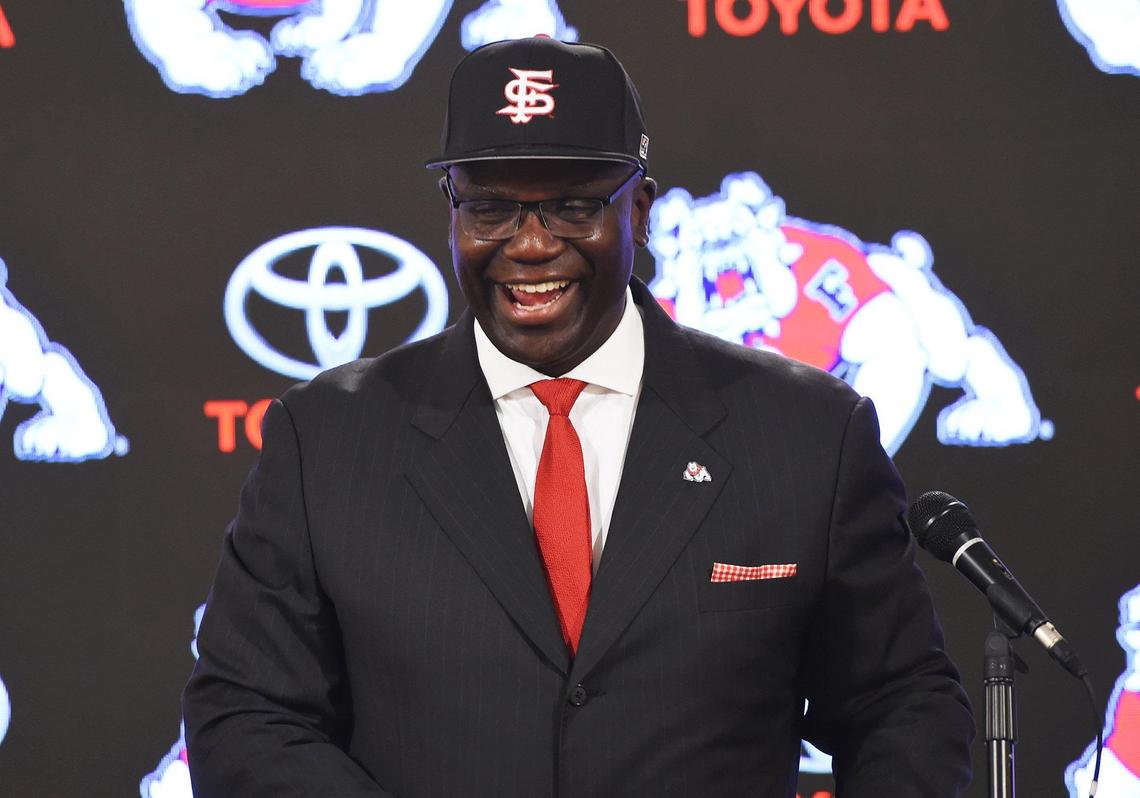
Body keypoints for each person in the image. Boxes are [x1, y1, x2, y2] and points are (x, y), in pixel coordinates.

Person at [183, 37, 974, 796]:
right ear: (450, 209)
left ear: (640, 213)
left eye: (570, 206)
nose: (529, 245)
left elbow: (901, 708)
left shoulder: (806, 434)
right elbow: (246, 719)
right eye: (491, 208)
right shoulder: (326, 440)